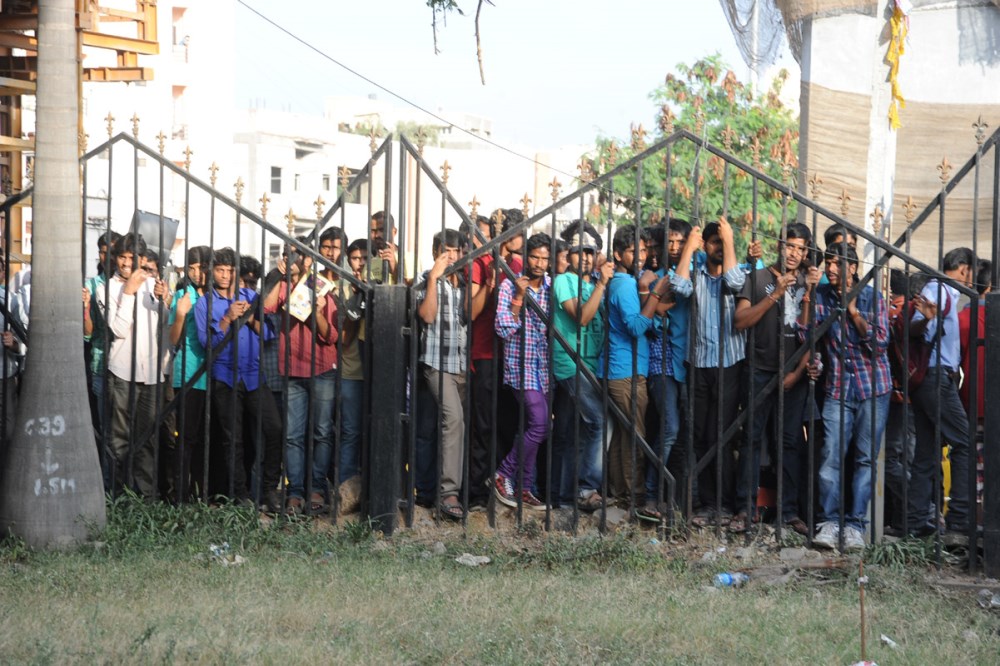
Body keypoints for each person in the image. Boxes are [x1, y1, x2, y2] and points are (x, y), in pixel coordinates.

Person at [802, 244, 890, 551]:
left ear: (853, 267)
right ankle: (829, 523)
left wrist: (852, 310)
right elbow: (806, 335)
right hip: (838, 387)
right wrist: (810, 294)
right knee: (831, 455)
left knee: (865, 459)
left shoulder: (872, 297)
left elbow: (880, 343)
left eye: (837, 264)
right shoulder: (823, 297)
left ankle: (855, 526)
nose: (830, 269)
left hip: (872, 388)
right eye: (828, 263)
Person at [733, 223, 815, 535]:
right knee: (752, 439)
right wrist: (776, 294)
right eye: (790, 246)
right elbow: (740, 320)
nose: (794, 253)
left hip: (793, 373)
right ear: (779, 245)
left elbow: (810, 334)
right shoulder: (759, 278)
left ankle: (789, 512)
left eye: (800, 249)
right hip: (758, 369)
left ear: (806, 252)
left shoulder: (808, 282)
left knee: (789, 443)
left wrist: (797, 372)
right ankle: (745, 507)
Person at [194, 247, 282, 510]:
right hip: (225, 377)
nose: (224, 275)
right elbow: (206, 342)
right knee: (233, 439)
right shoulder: (204, 303)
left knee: (274, 429)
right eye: (219, 270)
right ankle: (240, 495)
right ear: (211, 272)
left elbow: (268, 334)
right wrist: (227, 318)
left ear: (236, 273)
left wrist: (250, 318)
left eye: (229, 271)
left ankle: (269, 489)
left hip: (254, 376)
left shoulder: (251, 296)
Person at [598, 224, 672, 521]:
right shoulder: (626, 285)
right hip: (625, 372)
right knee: (635, 437)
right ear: (618, 254)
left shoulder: (621, 283)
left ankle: (622, 493)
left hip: (619, 369)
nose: (641, 256)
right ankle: (636, 498)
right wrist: (655, 295)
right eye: (633, 251)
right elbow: (635, 326)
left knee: (623, 435)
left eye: (644, 250)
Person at [264, 241, 340, 514]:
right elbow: (266, 308)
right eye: (294, 255)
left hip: (322, 368)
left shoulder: (324, 286)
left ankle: (317, 488)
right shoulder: (284, 286)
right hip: (292, 370)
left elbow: (331, 335)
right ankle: (295, 492)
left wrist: (317, 313)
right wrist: (280, 278)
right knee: (294, 435)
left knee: (321, 433)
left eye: (305, 255)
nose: (300, 260)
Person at [907, 247, 976, 537]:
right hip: (936, 378)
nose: (971, 279)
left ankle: (914, 522)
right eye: (970, 272)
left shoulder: (944, 292)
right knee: (965, 442)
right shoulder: (940, 289)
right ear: (963, 269)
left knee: (926, 452)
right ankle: (959, 518)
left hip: (931, 380)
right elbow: (915, 326)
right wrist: (925, 318)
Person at [98, 233, 172, 498]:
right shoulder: (107, 288)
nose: (127, 263)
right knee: (119, 439)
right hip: (121, 373)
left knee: (147, 439)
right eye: (122, 257)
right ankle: (117, 495)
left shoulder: (152, 282)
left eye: (132, 258)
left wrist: (164, 301)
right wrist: (129, 291)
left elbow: (164, 327)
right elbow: (118, 329)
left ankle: (146, 497)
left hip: (151, 374)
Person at [687, 217, 746, 527]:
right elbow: (679, 286)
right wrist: (689, 247)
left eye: (722, 243)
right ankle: (708, 502)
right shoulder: (696, 275)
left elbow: (736, 283)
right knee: (699, 436)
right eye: (714, 243)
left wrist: (730, 239)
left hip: (729, 364)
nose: (719, 248)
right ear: (705, 246)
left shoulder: (739, 273)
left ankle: (724, 503)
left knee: (719, 435)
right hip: (698, 362)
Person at [550, 222, 613, 512]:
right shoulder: (564, 281)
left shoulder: (591, 284)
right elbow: (581, 319)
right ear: (569, 255)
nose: (586, 257)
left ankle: (565, 498)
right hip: (571, 363)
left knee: (574, 433)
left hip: (590, 364)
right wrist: (601, 284)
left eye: (590, 252)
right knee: (601, 422)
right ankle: (587, 488)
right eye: (579, 252)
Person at [492, 232, 552, 510]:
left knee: (534, 427)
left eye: (544, 258)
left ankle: (525, 488)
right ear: (525, 257)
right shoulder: (508, 287)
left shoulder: (553, 287)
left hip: (544, 369)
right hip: (521, 367)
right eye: (535, 256)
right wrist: (519, 296)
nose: (539, 263)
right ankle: (503, 473)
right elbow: (503, 328)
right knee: (540, 424)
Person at [415, 229, 468, 520]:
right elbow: (427, 316)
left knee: (443, 427)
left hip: (458, 363)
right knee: (453, 419)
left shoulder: (461, 283)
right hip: (435, 363)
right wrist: (435, 278)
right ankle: (448, 492)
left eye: (457, 251)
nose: (452, 256)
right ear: (435, 251)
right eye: (446, 250)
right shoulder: (426, 280)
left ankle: (431, 489)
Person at [168, 245, 211, 501]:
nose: (197, 273)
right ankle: (181, 493)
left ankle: (204, 491)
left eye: (202, 267)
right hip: (189, 374)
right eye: (192, 268)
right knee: (187, 437)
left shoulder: (219, 294)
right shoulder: (183, 295)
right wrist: (181, 315)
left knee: (209, 438)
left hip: (215, 375)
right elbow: (173, 339)